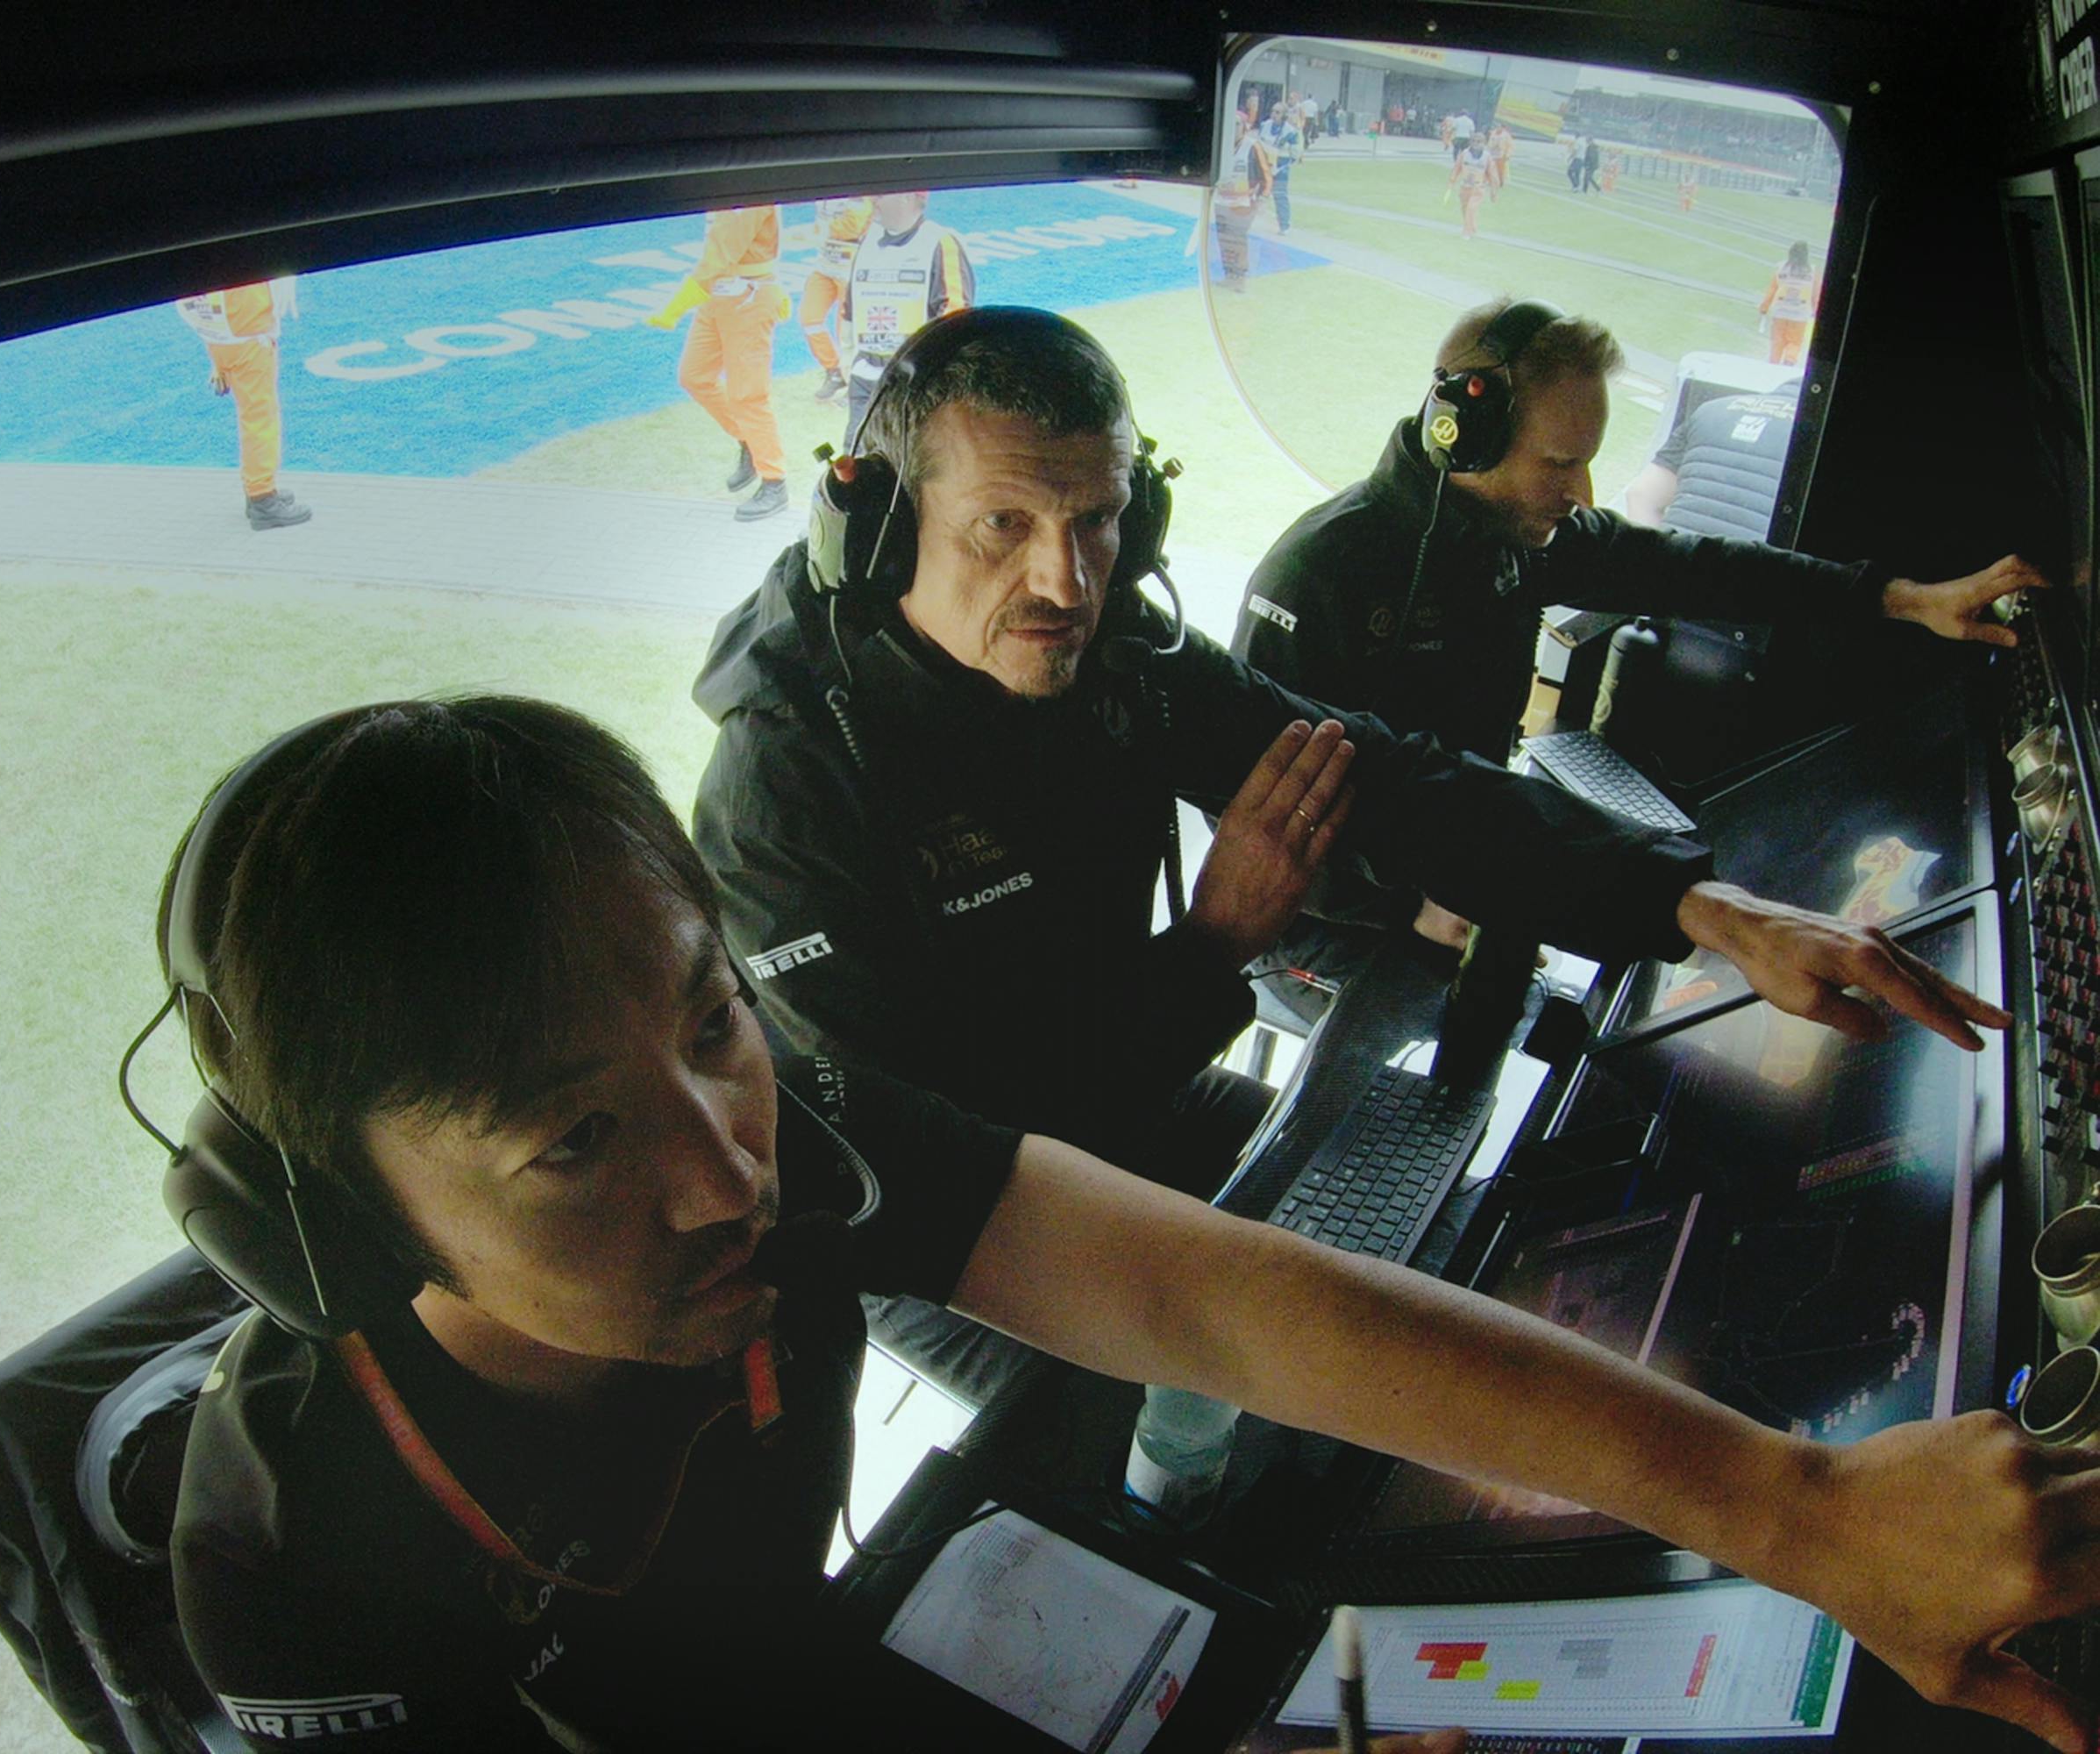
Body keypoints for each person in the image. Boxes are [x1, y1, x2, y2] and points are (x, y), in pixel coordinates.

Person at [162, 693, 2099, 1754]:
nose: (723, 1167)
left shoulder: (780, 1130)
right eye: (576, 1138)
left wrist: (1805, 1512)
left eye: (709, 1018)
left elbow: (1201, 1289)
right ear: (332, 1213)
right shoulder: (299, 1568)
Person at [689, 303, 2024, 1399]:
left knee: (1411, 1256)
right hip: (963, 1222)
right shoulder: (788, 793)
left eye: (1097, 521)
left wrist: (1702, 909)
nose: (1065, 582)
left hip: (1139, 1088)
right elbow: (939, 1143)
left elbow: (1392, 779)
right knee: (1203, 1437)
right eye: (1003, 525)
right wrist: (1215, 952)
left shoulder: (1118, 655)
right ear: (875, 532)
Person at [1231, 299, 2043, 946]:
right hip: (1323, 925)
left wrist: (1902, 598)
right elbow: (1238, 803)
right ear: (1466, 439)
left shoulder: (1521, 535)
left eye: (1589, 459)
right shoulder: (1318, 575)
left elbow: (1702, 568)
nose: (1583, 493)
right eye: (1558, 464)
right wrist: (1405, 907)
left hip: (1465, 875)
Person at [646, 203, 792, 522]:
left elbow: (721, 254)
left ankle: (774, 482)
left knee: (748, 396)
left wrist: (676, 307)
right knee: (694, 375)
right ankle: (750, 443)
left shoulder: (752, 187)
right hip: (718, 295)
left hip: (748, 298)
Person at [838, 190, 975, 451]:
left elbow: (955, 317)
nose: (874, 201)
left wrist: (930, 374)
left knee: (909, 460)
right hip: (866, 375)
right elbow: (850, 306)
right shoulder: (867, 241)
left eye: (881, 195)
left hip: (913, 381)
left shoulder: (939, 242)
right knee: (855, 460)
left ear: (908, 196)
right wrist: (847, 359)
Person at [175, 279, 313, 530]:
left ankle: (257, 491)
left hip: (217, 330)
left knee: (254, 414)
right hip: (248, 336)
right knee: (259, 417)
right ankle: (263, 499)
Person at [1621, 384, 1803, 541]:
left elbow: (1641, 496)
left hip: (1675, 560)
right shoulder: (1819, 437)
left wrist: (1650, 561)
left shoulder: (1711, 409)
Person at [798, 196, 872, 403]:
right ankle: (834, 371)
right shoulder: (820, 192)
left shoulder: (858, 194)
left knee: (848, 331)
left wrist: (822, 229)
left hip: (850, 269)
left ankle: (855, 384)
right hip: (824, 266)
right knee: (809, 318)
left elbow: (853, 226)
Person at [1214, 102, 1273, 293]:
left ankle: (1239, 278)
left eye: (1237, 124)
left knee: (1237, 239)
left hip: (1243, 203)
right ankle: (1229, 275)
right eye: (1230, 124)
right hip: (1222, 201)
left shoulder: (1252, 147)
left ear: (1245, 127)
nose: (1233, 128)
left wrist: (1262, 198)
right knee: (1225, 240)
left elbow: (1266, 176)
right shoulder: (1221, 145)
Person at [1762, 240, 1822, 365]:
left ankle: (1774, 363)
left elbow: (1772, 289)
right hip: (1800, 314)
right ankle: (1790, 359)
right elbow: (1816, 295)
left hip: (1780, 312)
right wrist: (1816, 312)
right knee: (1795, 342)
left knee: (1777, 341)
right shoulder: (1813, 271)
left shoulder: (1781, 268)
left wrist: (1764, 307)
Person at [1263, 99, 1301, 233]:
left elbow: (1295, 153)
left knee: (1280, 195)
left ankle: (1284, 225)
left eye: (1277, 112)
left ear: (1284, 115)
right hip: (1264, 166)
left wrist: (1282, 165)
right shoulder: (1265, 125)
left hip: (1280, 168)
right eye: (1273, 111)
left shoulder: (1290, 132)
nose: (1274, 114)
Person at [1449, 137, 1490, 239]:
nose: (1476, 143)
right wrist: (1452, 180)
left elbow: (1491, 173)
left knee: (1471, 209)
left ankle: (1467, 232)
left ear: (1484, 144)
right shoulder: (1464, 154)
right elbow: (1457, 167)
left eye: (1479, 141)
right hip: (1465, 186)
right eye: (1474, 141)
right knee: (1465, 208)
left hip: (1478, 188)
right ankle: (1472, 227)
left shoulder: (1487, 157)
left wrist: (1493, 188)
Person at [1485, 122, 1513, 197]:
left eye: (1499, 127)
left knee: (1500, 170)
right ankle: (1489, 181)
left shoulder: (1506, 136)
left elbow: (1510, 146)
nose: (1498, 128)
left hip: (1501, 155)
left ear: (1503, 128)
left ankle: (1500, 182)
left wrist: (1508, 154)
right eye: (1497, 127)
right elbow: (1489, 143)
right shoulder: (1493, 133)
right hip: (1492, 154)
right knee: (1490, 168)